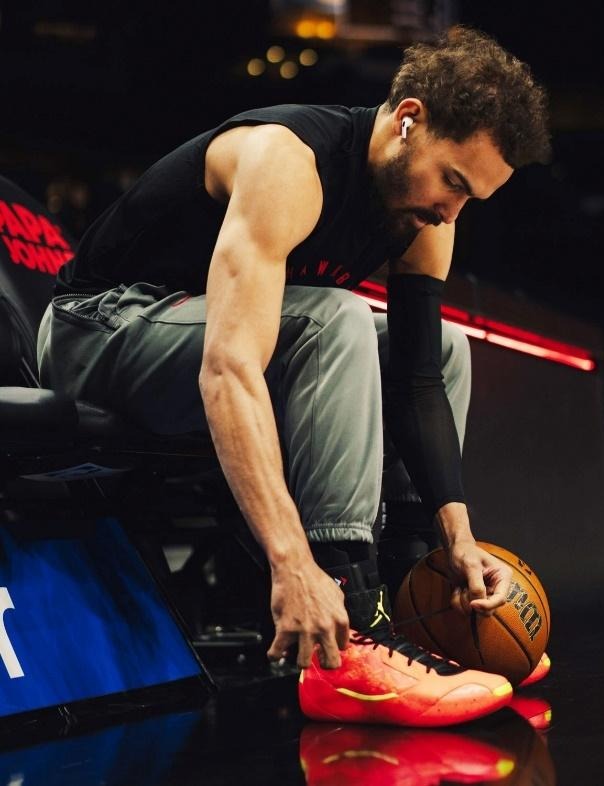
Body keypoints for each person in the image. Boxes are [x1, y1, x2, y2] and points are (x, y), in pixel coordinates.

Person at [36, 26, 551, 726]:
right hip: (97, 331)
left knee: (445, 343)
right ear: (409, 121)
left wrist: (455, 538)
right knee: (333, 318)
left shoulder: (426, 215)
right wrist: (293, 564)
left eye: (472, 200)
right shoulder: (289, 161)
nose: (450, 211)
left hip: (205, 338)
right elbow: (228, 368)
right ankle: (350, 638)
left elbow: (422, 381)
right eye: (453, 182)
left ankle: (411, 601)